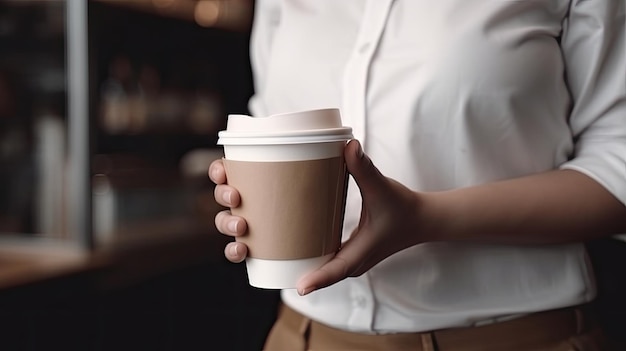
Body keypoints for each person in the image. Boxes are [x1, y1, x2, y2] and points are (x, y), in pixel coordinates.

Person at [209, 1, 626, 350]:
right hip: (301, 335)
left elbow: (617, 167)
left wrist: (427, 217)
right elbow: (266, 126)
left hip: (512, 338)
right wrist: (246, 202)